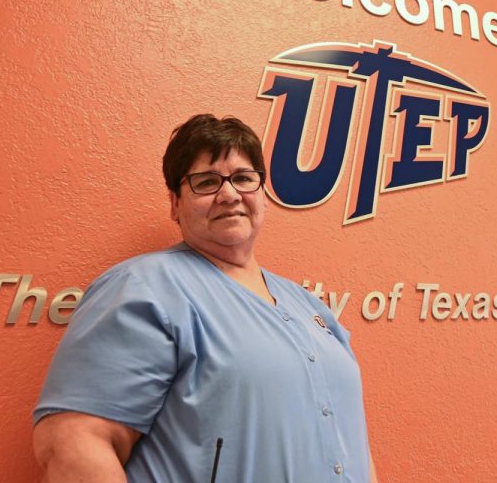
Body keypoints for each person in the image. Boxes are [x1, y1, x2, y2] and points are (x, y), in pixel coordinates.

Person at [33, 114, 378, 482]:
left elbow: (351, 440)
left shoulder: (309, 306)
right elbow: (73, 443)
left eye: (244, 178)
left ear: (262, 194)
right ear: (175, 204)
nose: (229, 194)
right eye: (207, 182)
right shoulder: (145, 288)